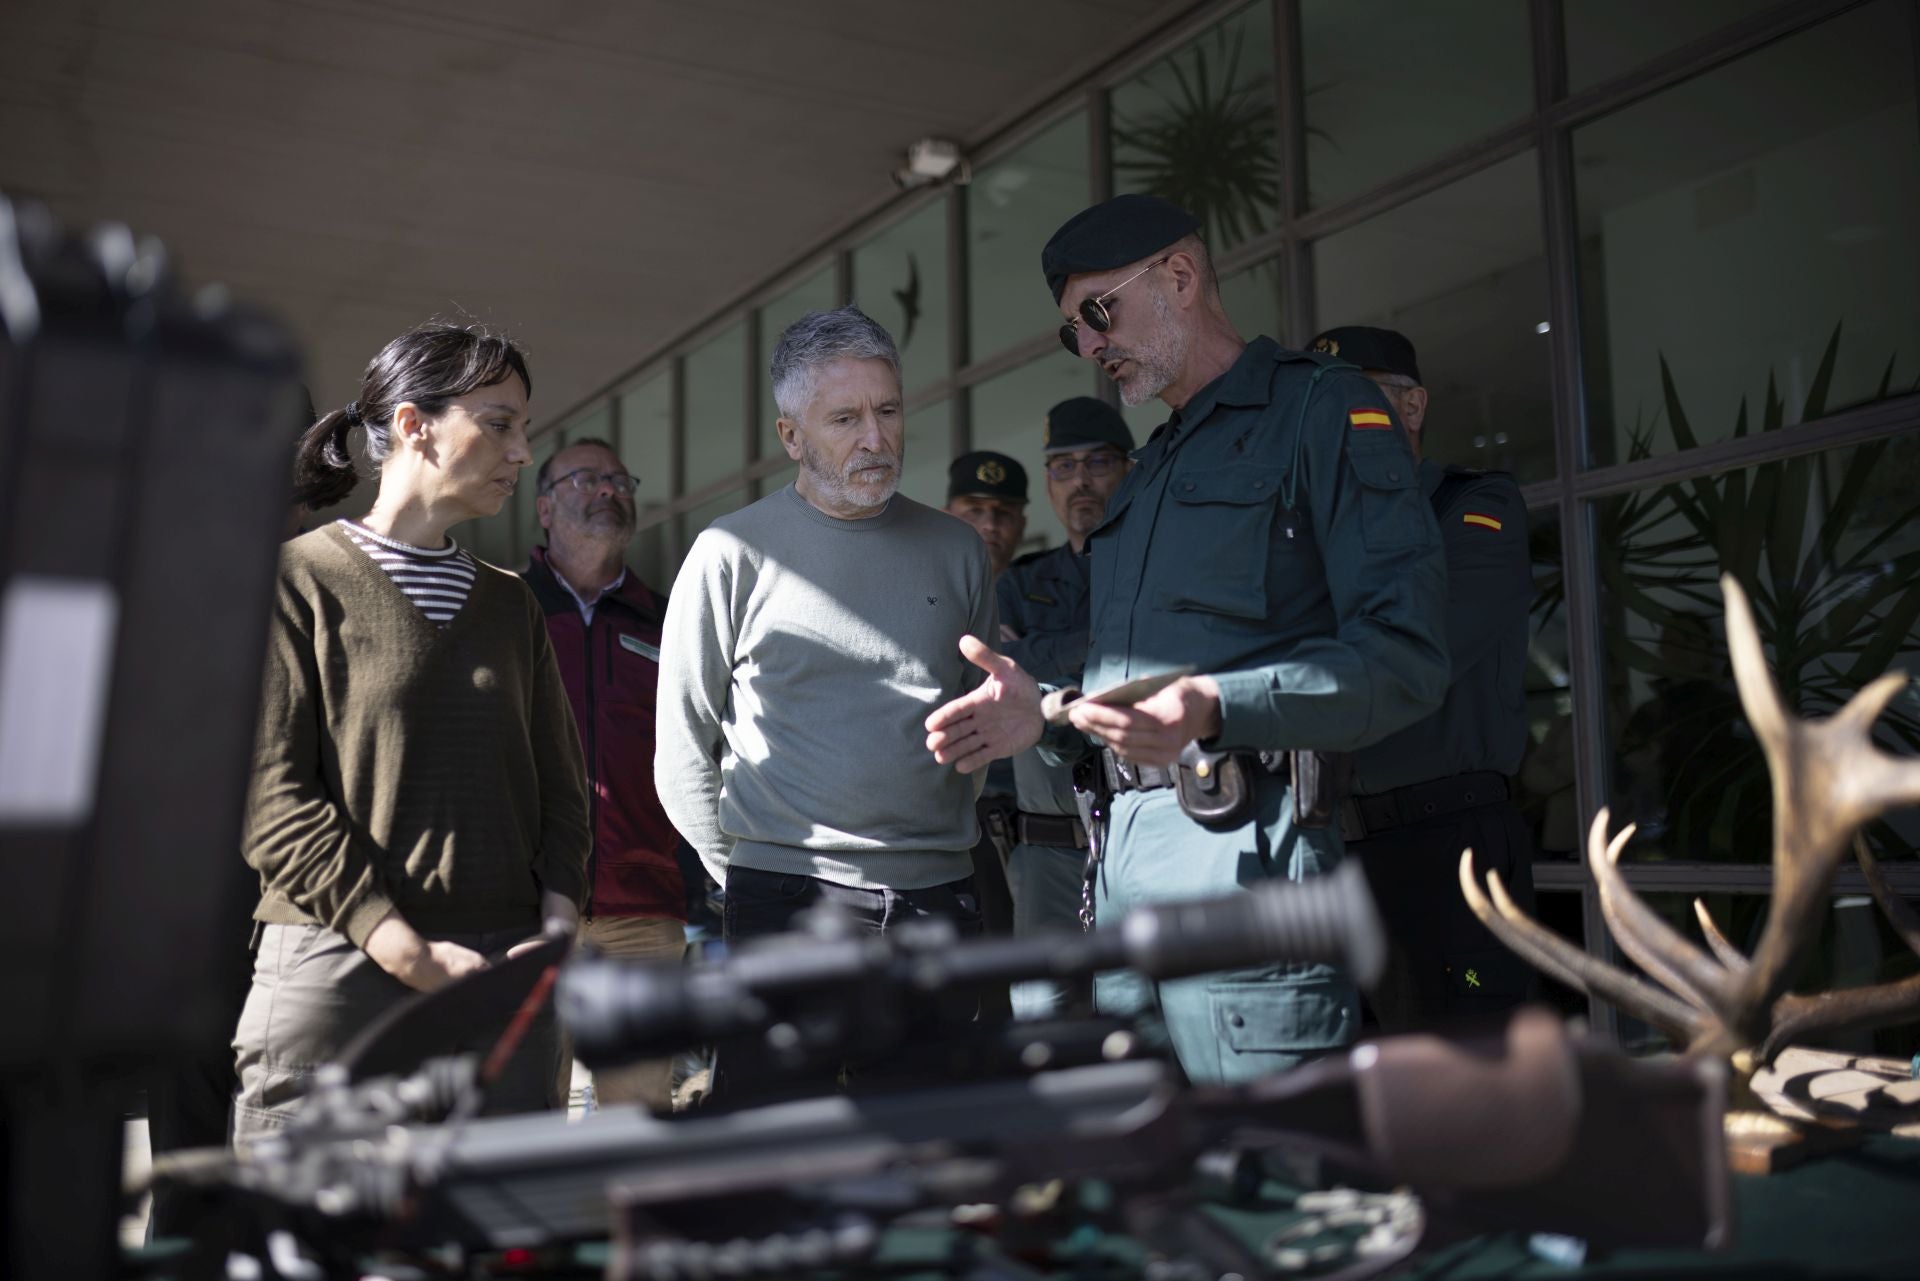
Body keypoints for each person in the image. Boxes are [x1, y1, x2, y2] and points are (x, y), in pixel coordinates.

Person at [924, 195, 1449, 1084]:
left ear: (1180, 275)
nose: (1091, 347)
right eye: (1073, 333)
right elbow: (1140, 690)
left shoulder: (1320, 412)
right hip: (1121, 871)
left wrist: (1218, 705)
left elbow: (1406, 655)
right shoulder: (1153, 467)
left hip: (1245, 860)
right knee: (1147, 1173)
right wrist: (1044, 712)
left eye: (1099, 313)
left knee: (1270, 1176)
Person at [234, 323, 590, 1141]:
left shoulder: (512, 606)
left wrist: (555, 938)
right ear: (412, 424)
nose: (523, 451)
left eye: (524, 428)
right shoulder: (297, 581)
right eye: (500, 422)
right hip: (339, 965)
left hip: (508, 983)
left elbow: (566, 798)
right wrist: (403, 949)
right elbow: (271, 798)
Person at [654, 305, 997, 1102]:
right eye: (844, 418)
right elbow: (680, 752)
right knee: (773, 1157)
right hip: (787, 901)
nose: (875, 437)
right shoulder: (729, 552)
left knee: (933, 1152)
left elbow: (979, 725)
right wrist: (751, 871)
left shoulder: (958, 549)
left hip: (938, 896)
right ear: (791, 435)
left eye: (887, 409)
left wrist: (928, 833)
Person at [1306, 326, 1536, 1032]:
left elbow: (1417, 649)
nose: (1338, 424)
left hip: (1450, 841)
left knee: (1470, 1078)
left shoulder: (1473, 507)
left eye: (1359, 402)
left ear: (1412, 407)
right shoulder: (1314, 535)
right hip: (1335, 848)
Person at [521, 438, 687, 1111]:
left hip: (645, 906)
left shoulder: (672, 619)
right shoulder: (505, 611)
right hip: (527, 905)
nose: (607, 490)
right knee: (527, 1105)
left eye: (619, 479)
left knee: (639, 1116)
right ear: (543, 509)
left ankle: (631, 1222)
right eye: (586, 478)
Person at [996, 397, 1134, 1018]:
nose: (1081, 480)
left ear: (1127, 468)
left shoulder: (1150, 566)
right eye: (1062, 466)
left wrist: (1040, 657)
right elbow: (1000, 679)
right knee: (1043, 1023)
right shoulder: (1016, 586)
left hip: (1142, 825)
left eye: (1098, 462)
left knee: (1141, 1018)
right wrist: (1104, 655)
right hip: (1047, 850)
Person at [944, 451, 1029, 577]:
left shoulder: (1043, 591)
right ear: (944, 521)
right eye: (974, 511)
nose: (990, 525)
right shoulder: (916, 586)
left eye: (1004, 513)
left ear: (1021, 527)